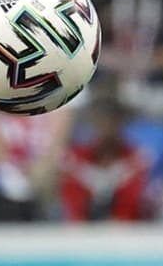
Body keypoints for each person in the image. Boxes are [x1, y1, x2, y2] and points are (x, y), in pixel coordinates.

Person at [0, 105, 74, 222]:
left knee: (45, 175)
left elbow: (60, 135)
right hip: (4, 158)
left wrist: (45, 162)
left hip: (43, 159)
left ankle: (48, 221)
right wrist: (5, 165)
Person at [61, 93, 151, 221]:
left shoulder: (137, 159)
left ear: (120, 123)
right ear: (93, 123)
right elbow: (73, 203)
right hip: (83, 232)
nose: (106, 128)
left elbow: (132, 203)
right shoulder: (76, 160)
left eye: (111, 121)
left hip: (127, 232)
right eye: (101, 121)